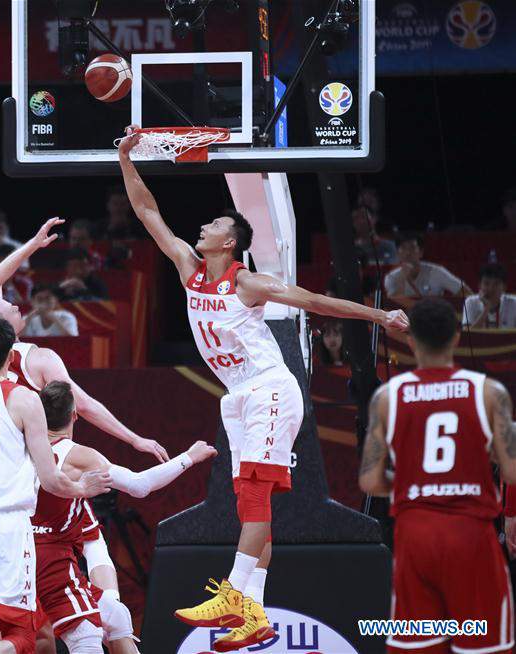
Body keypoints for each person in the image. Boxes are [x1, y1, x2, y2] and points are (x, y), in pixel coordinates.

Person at [117, 125, 409, 652]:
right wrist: (125, 160)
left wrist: (379, 316)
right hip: (238, 396)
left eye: (214, 224)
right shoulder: (187, 268)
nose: (202, 225)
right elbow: (147, 211)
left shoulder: (247, 283)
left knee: (253, 496)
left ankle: (233, 593)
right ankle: (253, 611)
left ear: (229, 243)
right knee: (252, 507)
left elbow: (315, 301)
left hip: (270, 389)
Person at [358, 298, 516, 653]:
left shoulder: (388, 397)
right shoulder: (488, 392)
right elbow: (512, 471)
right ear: (456, 337)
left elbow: (369, 481)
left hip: (416, 537)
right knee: (484, 646)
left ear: (410, 340)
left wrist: (414, 482)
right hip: (471, 536)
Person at [0, 317, 109, 654]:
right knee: (21, 636)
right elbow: (50, 478)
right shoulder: (22, 398)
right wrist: (83, 488)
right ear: (11, 355)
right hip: (3, 525)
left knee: (14, 632)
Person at [33, 381, 217, 654]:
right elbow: (140, 485)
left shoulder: (16, 448)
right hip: (49, 559)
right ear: (74, 415)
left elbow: (92, 540)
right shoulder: (78, 456)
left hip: (14, 556)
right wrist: (188, 458)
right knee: (83, 637)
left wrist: (111, 597)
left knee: (112, 617)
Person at [0, 217, 168, 463]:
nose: (14, 305)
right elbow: (83, 405)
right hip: (24, 458)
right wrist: (134, 439)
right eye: (8, 307)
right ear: (4, 325)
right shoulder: (39, 358)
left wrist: (34, 243)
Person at [383, 232, 471, 299]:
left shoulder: (437, 271)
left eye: (412, 248)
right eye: (403, 248)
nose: (408, 252)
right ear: (397, 253)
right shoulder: (391, 277)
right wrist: (402, 279)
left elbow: (467, 293)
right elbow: (393, 306)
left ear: (421, 252)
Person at [462, 263, 516, 328]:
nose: (491, 289)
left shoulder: (514, 303)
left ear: (504, 287)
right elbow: (467, 333)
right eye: (486, 283)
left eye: (496, 284)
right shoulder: (470, 302)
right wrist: (486, 309)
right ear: (479, 286)